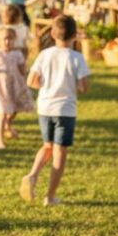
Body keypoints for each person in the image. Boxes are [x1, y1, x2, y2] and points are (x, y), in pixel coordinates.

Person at [20, 15, 90, 207]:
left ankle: (33, 175)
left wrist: (47, 84)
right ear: (74, 36)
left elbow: (31, 81)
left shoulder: (45, 54)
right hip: (65, 110)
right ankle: (50, 197)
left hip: (45, 108)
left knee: (48, 145)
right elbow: (83, 87)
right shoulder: (77, 58)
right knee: (59, 152)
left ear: (52, 33)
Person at [0, 27, 33, 149]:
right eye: (4, 39)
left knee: (14, 109)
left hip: (14, 85)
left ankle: (8, 125)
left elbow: (22, 70)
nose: (7, 42)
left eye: (10, 39)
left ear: (14, 40)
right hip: (1, 86)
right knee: (2, 113)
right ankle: (0, 141)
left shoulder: (18, 54)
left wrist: (25, 75)